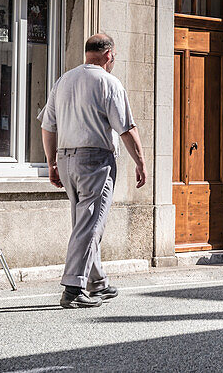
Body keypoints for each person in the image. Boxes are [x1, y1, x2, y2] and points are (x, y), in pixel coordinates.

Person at [39, 33, 147, 308]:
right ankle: (74, 287)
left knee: (83, 222)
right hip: (95, 160)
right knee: (91, 223)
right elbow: (126, 128)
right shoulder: (109, 82)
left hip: (65, 158)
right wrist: (141, 162)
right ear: (108, 54)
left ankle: (98, 282)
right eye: (114, 57)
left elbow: (48, 126)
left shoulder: (64, 80)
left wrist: (51, 162)